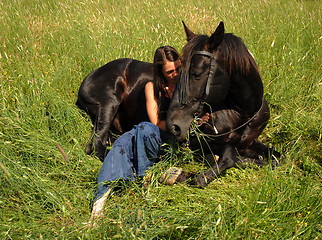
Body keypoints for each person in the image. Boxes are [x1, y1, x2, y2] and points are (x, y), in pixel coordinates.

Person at [89, 46, 209, 225]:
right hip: (157, 137)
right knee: (124, 141)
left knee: (137, 133)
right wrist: (187, 123)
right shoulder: (152, 87)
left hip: (176, 141)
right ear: (160, 71)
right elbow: (155, 123)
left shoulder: (188, 83)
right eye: (170, 71)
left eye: (178, 68)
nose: (175, 74)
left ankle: (143, 178)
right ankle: (100, 199)